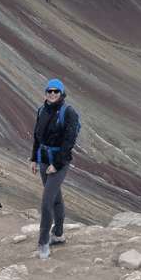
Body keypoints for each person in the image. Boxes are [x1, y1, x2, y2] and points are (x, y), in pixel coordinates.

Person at [30, 78, 79, 260]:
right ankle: (58, 234)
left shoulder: (69, 113)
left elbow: (69, 142)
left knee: (46, 202)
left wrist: (56, 165)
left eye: (55, 91)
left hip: (58, 162)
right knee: (56, 198)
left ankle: (43, 243)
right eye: (49, 91)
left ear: (61, 93)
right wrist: (34, 159)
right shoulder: (42, 110)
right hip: (43, 160)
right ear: (45, 93)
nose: (52, 94)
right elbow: (37, 137)